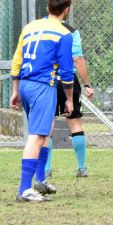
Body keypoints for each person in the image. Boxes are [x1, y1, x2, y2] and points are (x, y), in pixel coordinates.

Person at [10, 0, 75, 202]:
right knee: (36, 136)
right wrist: (69, 99)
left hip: (26, 84)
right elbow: (66, 71)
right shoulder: (64, 34)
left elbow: (17, 60)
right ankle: (24, 190)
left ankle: (40, 181)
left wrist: (16, 90)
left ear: (47, 8)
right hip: (42, 86)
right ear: (67, 11)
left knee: (45, 131)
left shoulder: (30, 27)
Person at [44, 22, 96, 180]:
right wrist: (87, 85)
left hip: (47, 81)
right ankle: (81, 168)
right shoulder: (71, 31)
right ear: (66, 9)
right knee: (75, 124)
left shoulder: (41, 28)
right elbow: (77, 58)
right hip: (69, 81)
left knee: (47, 126)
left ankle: (46, 170)